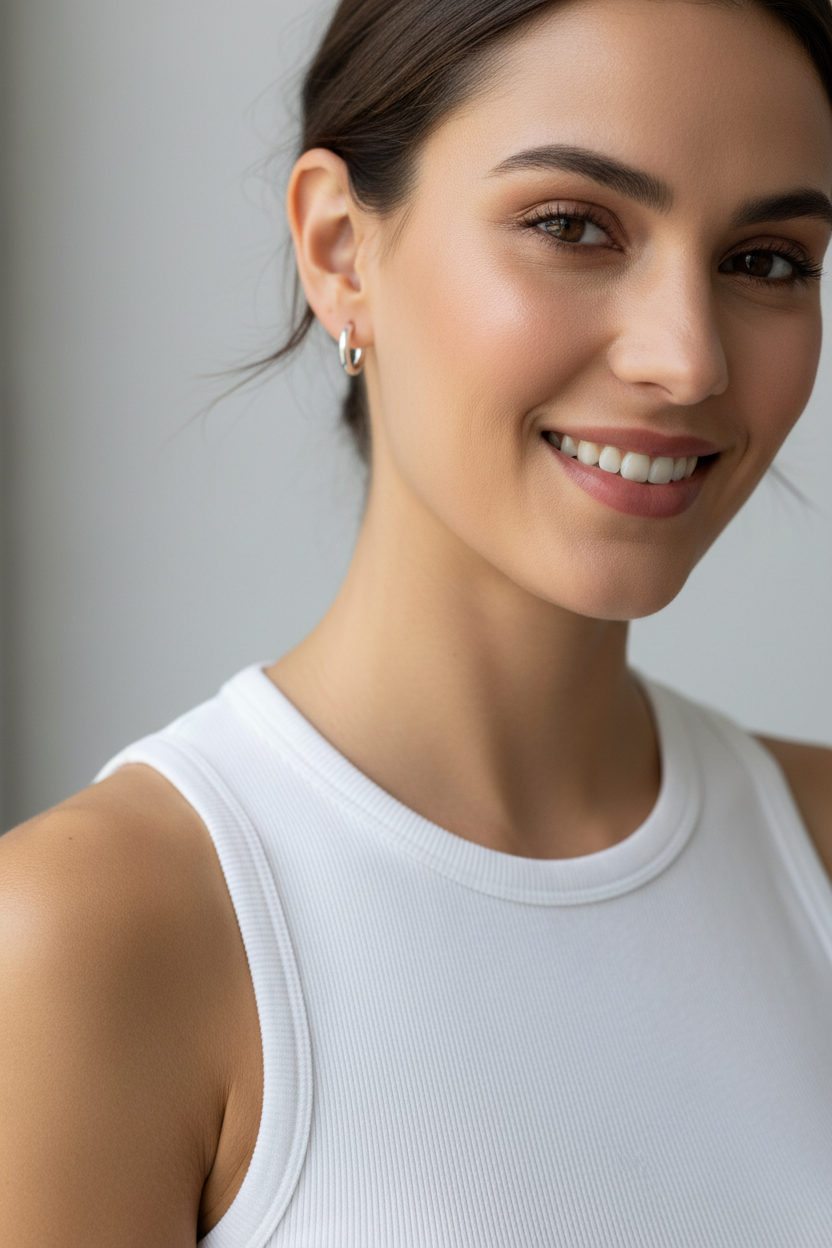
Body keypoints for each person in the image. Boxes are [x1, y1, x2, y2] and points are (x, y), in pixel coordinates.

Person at [3, 0, 832, 1242]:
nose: (687, 360)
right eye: (572, 226)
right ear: (341, 249)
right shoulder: (99, 935)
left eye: (765, 259)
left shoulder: (818, 850)